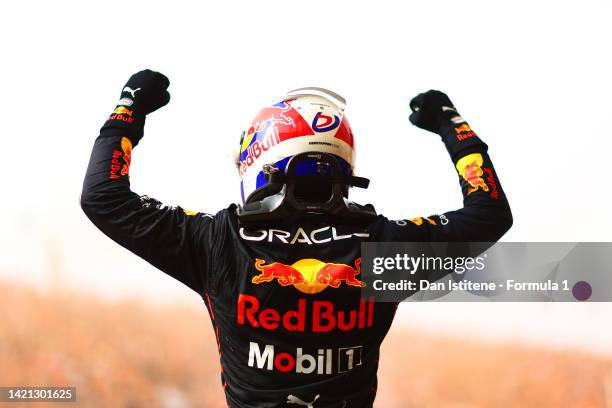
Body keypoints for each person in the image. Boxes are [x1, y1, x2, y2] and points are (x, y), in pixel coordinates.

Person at [81, 70, 512, 408]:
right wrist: (453, 126)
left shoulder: (219, 241)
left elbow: (103, 197)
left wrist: (128, 108)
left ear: (258, 158)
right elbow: (489, 212)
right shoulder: (382, 245)